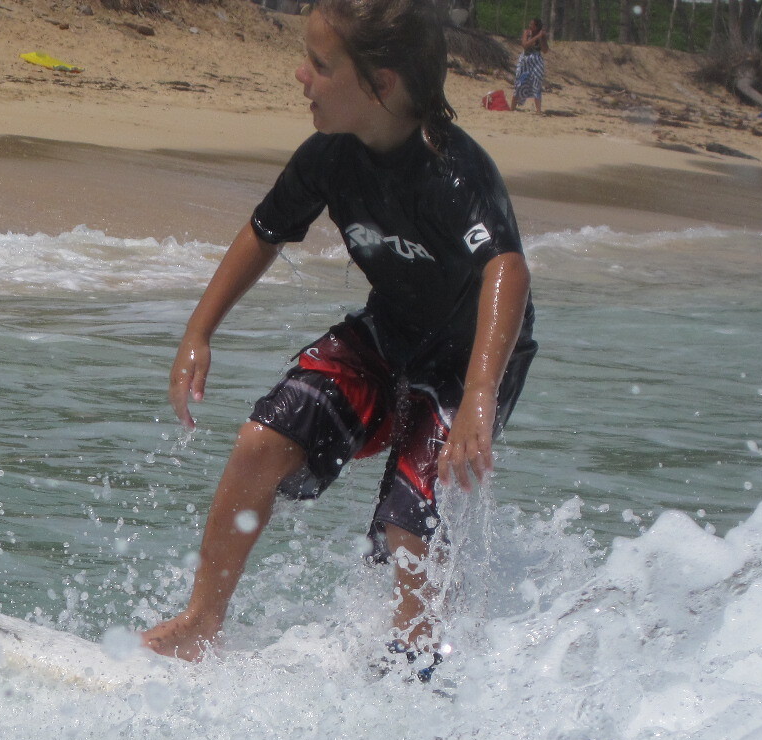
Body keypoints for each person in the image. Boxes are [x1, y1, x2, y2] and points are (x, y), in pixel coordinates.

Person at [140, 0, 535, 677]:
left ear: (382, 85)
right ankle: (201, 623)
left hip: (471, 358)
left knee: (407, 522)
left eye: (321, 66)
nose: (302, 76)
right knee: (261, 442)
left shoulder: (452, 170)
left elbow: (507, 267)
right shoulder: (330, 158)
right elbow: (265, 231)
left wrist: (478, 394)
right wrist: (198, 331)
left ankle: (415, 667)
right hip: (391, 330)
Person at [512, 18, 549, 114]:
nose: (530, 26)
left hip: (536, 60)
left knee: (537, 82)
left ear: (536, 27)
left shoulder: (541, 35)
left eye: (532, 25)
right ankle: (512, 107)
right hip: (525, 59)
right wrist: (536, 37)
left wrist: (541, 38)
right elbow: (525, 45)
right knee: (519, 82)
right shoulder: (527, 33)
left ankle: (538, 110)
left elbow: (545, 50)